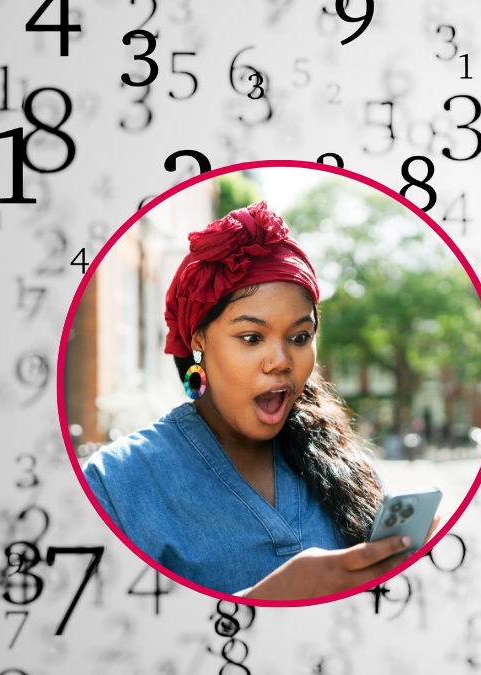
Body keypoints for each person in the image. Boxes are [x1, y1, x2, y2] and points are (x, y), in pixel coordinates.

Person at [82, 201, 439, 600]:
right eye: (252, 338)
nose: (281, 362)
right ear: (199, 338)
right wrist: (263, 604)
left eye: (300, 337)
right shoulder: (115, 484)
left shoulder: (349, 466)